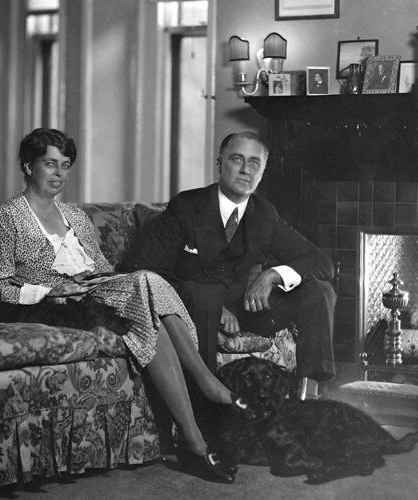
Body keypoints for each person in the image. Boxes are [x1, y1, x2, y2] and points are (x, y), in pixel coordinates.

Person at [0, 128, 256, 484]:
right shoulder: (8, 216)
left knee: (145, 293)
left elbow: (102, 269)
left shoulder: (76, 217)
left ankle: (194, 443)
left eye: (65, 166)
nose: (59, 174)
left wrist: (89, 279)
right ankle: (206, 388)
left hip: (94, 293)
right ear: (27, 165)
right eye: (50, 164)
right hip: (55, 303)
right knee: (145, 281)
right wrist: (49, 290)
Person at [138, 131, 336, 400]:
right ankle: (205, 403)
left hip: (246, 308)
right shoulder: (186, 206)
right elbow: (147, 269)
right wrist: (215, 307)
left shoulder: (264, 214)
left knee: (319, 291)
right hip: (193, 309)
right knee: (205, 295)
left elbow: (321, 262)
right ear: (220, 164)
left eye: (254, 163)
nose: (245, 170)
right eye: (237, 160)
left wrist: (272, 275)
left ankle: (311, 395)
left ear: (262, 172)